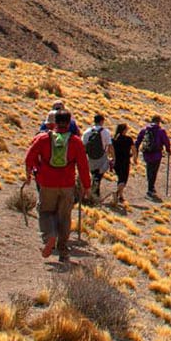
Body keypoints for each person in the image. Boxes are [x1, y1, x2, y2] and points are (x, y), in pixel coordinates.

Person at [25, 108, 91, 263]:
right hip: (67, 185)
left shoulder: (43, 139)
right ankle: (63, 250)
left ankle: (50, 235)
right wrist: (86, 186)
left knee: (46, 211)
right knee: (64, 216)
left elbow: (29, 156)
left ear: (54, 122)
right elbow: (83, 166)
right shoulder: (76, 142)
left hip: (47, 183)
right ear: (69, 123)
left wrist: (29, 173)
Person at [135, 116, 171, 200]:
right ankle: (150, 188)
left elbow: (138, 141)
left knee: (149, 169)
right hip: (157, 154)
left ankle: (150, 187)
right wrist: (168, 150)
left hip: (146, 153)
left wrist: (135, 150)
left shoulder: (144, 130)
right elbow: (166, 141)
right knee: (154, 170)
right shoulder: (161, 131)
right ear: (158, 122)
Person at [83, 114, 110, 200]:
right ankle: (95, 194)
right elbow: (109, 145)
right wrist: (113, 156)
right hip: (102, 156)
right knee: (98, 175)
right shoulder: (105, 132)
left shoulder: (87, 131)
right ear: (102, 121)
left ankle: (92, 193)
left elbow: (83, 145)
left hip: (90, 156)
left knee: (94, 174)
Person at [109, 122, 134, 205]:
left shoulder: (114, 139)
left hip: (116, 161)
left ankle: (121, 196)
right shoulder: (128, 139)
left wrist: (112, 158)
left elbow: (110, 150)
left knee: (120, 178)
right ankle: (116, 194)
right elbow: (134, 149)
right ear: (124, 130)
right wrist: (134, 157)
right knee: (123, 180)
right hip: (125, 161)